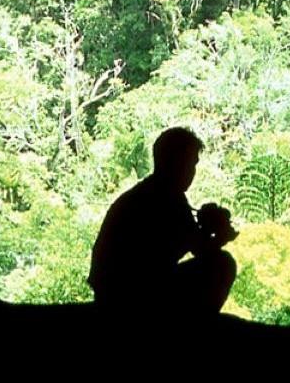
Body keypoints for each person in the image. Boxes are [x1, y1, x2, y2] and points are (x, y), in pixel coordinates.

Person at [87, 127, 238, 316]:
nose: (193, 172)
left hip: (114, 293)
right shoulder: (168, 199)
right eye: (191, 163)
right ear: (177, 162)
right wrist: (220, 233)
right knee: (222, 265)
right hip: (134, 295)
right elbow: (202, 249)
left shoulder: (146, 194)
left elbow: (193, 244)